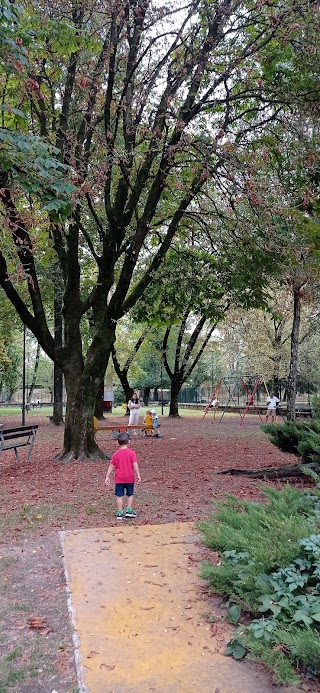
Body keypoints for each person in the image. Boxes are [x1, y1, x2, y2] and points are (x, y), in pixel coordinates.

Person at [105, 432, 141, 520]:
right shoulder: (132, 453)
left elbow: (111, 466)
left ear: (117, 443)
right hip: (130, 478)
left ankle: (120, 512)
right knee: (130, 494)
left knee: (119, 495)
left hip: (119, 478)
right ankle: (129, 510)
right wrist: (138, 474)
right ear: (129, 441)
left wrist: (107, 476)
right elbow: (135, 464)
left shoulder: (116, 454)